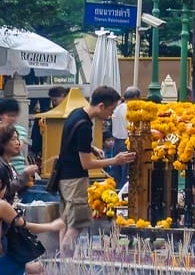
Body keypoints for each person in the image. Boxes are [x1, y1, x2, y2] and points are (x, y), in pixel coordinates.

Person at [55, 85, 136, 257]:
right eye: (111, 110)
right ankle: (66, 263)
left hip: (64, 178)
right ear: (101, 106)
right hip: (75, 180)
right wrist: (115, 160)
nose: (111, 115)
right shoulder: (85, 126)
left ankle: (63, 263)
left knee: (67, 222)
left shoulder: (76, 114)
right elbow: (86, 164)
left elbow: (73, 142)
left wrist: (91, 148)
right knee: (76, 224)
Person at [0, 126, 37, 201]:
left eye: (17, 139)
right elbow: (3, 191)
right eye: (13, 139)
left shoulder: (7, 163)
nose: (18, 143)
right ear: (2, 142)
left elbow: (15, 189)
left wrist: (27, 178)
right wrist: (25, 174)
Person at [0, 98, 31, 177]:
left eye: (14, 116)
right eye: (9, 115)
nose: (12, 118)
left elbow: (17, 149)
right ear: (1, 115)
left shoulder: (21, 130)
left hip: (19, 171)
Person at [109, 87, 139, 187]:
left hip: (116, 142)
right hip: (127, 142)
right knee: (126, 172)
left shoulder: (116, 108)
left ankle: (116, 190)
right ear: (135, 97)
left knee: (116, 170)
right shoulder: (131, 110)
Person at [29, 86, 67, 163]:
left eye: (55, 100)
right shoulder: (72, 113)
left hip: (46, 150)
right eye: (52, 100)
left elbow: (36, 139)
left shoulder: (43, 116)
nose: (53, 102)